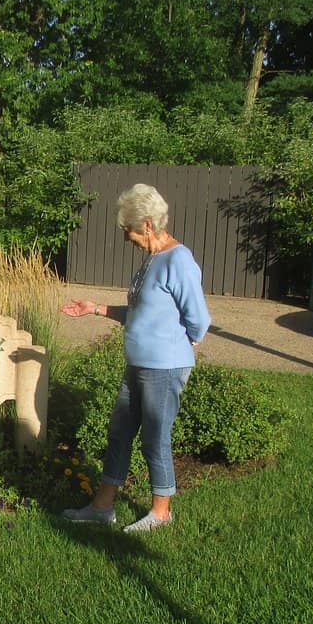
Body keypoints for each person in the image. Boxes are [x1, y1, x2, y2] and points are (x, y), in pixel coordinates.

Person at [61, 183, 211, 532]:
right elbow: (142, 314)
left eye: (127, 229)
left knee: (154, 438)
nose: (125, 236)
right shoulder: (152, 259)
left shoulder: (178, 260)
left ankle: (161, 512)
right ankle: (102, 507)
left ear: (146, 224)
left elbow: (199, 319)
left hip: (164, 368)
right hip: (138, 365)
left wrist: (187, 344)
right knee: (119, 432)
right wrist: (96, 308)